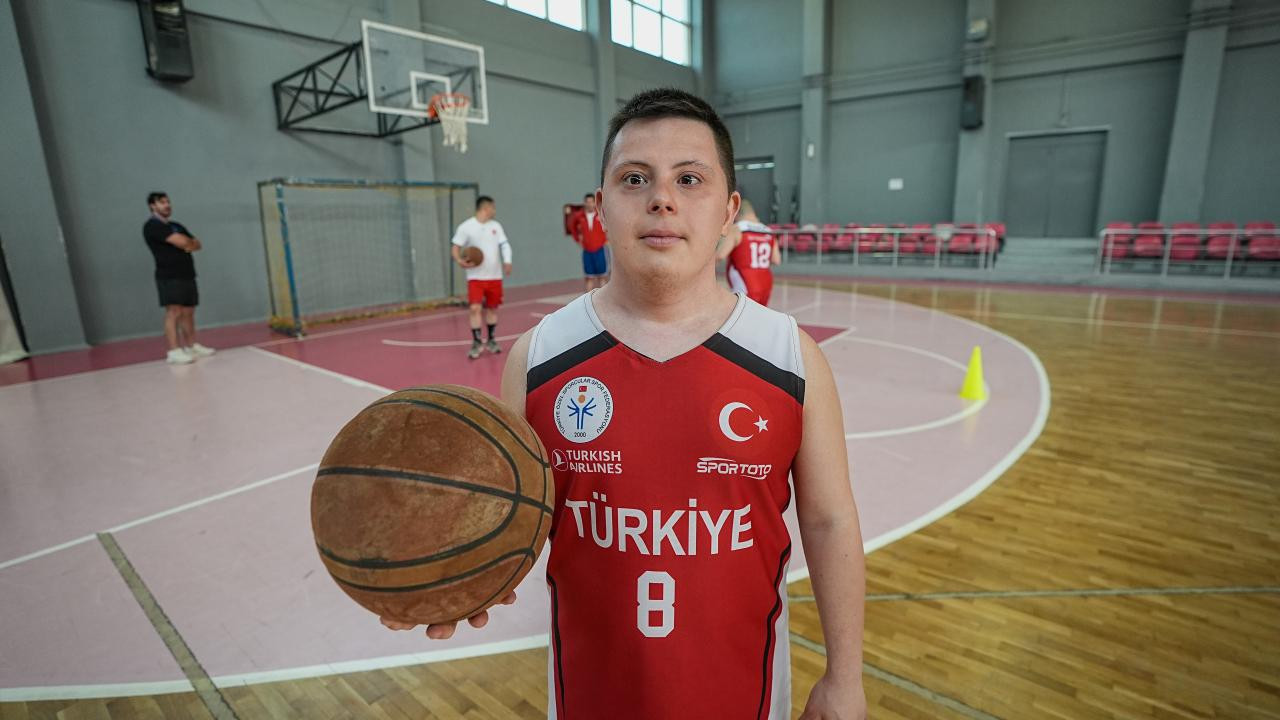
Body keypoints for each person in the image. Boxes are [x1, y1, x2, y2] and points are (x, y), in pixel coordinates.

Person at [385, 89, 867, 719]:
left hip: (745, 697)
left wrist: (844, 676)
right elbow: (509, 517)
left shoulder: (790, 357)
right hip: (588, 698)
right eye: (634, 178)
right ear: (601, 206)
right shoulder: (538, 357)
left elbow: (829, 522)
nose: (661, 198)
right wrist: (453, 574)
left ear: (728, 211)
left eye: (689, 179)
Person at [142, 192, 214, 364]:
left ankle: (191, 346)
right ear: (153, 206)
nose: (167, 205)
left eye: (168, 202)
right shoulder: (152, 226)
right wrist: (186, 244)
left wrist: (188, 243)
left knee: (189, 312)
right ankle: (174, 351)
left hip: (187, 273)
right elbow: (183, 243)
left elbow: (197, 244)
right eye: (162, 202)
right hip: (169, 275)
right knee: (174, 312)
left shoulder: (176, 225)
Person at [450, 195, 512, 359]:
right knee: (475, 308)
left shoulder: (496, 226)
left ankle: (491, 340)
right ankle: (477, 342)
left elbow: (504, 245)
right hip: (475, 277)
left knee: (492, 308)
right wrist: (459, 260)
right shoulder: (466, 227)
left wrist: (507, 261)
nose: (494, 210)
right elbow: (455, 247)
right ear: (485, 208)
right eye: (493, 207)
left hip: (494, 276)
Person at [716, 197, 780, 305]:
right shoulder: (768, 231)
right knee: (760, 314)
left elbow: (720, 256)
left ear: (736, 213)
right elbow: (776, 260)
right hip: (766, 283)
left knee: (742, 315)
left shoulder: (737, 229)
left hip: (745, 283)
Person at [570, 192, 610, 291]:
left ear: (594, 203)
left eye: (591, 202)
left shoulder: (601, 214)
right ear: (584, 203)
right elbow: (572, 227)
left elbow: (611, 225)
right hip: (587, 251)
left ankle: (604, 299)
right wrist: (577, 239)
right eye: (587, 202)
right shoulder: (579, 216)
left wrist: (607, 239)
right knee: (589, 278)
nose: (589, 204)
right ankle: (587, 299)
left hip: (600, 250)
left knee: (602, 277)